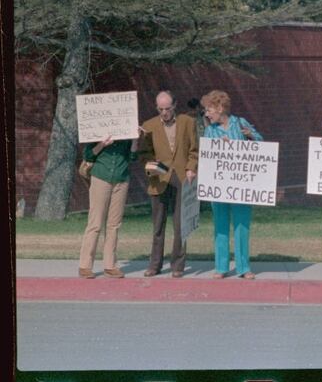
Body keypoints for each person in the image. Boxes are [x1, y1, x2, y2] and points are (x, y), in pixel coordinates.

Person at [202, 90, 263, 279]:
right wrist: (218, 146)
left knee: (241, 226)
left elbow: (262, 145)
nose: (207, 114)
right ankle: (221, 267)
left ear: (220, 108)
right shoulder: (210, 130)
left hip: (241, 186)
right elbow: (206, 155)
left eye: (209, 110)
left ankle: (243, 267)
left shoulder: (241, 123)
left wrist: (251, 136)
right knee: (220, 226)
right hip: (219, 185)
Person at [139, 90, 199, 278]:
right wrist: (151, 167)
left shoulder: (188, 122)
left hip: (182, 177)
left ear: (175, 105)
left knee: (181, 225)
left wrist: (191, 168)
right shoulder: (148, 126)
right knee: (158, 226)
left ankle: (178, 265)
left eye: (167, 108)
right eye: (160, 109)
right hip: (159, 179)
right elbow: (144, 155)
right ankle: (154, 265)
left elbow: (194, 150)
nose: (164, 112)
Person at [78, 135, 138, 278]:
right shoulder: (98, 132)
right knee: (95, 223)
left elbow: (132, 157)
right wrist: (102, 144)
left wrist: (135, 140)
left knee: (114, 224)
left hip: (121, 179)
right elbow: (88, 155)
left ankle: (110, 266)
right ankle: (85, 266)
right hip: (101, 177)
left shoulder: (126, 133)